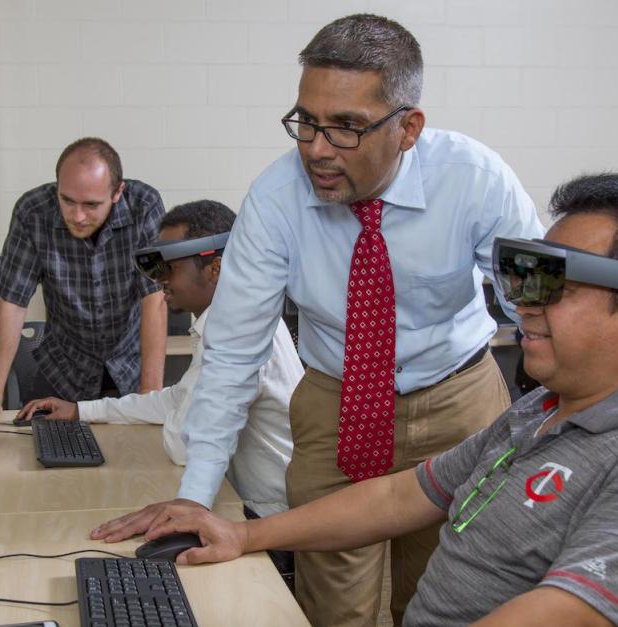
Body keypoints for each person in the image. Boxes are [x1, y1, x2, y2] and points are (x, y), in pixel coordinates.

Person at [147, 173, 618, 627]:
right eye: (522, 274)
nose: (523, 302)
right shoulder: (540, 412)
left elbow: (570, 613)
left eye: (553, 283)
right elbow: (401, 494)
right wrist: (242, 536)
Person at [89, 14, 544, 626]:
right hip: (337, 404)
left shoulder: (478, 181)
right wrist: (194, 501)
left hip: (457, 402)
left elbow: (545, 308)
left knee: (446, 599)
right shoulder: (275, 201)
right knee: (333, 608)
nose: (318, 150)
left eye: (347, 128)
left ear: (408, 128)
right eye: (307, 122)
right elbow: (231, 355)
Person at [17, 200, 303, 524]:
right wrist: (82, 410)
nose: (158, 280)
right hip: (239, 500)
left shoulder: (242, 337)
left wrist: (180, 416)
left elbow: (184, 445)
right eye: (155, 268)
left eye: (169, 267)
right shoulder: (230, 321)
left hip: (266, 518)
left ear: (216, 268)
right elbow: (175, 401)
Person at [0, 137, 167, 419]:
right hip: (64, 370)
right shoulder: (32, 213)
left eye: (91, 204)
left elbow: (154, 299)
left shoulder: (144, 206)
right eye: (67, 200)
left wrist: (148, 396)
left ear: (117, 192)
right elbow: (12, 304)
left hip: (129, 369)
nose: (77, 216)